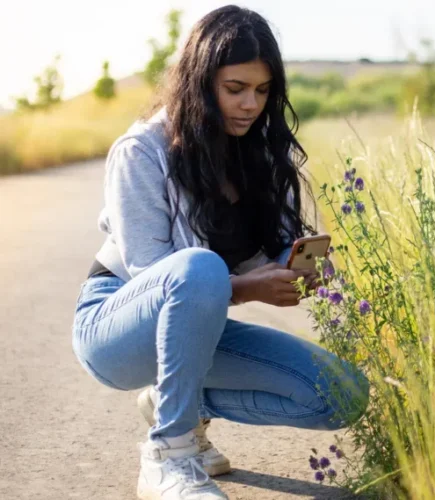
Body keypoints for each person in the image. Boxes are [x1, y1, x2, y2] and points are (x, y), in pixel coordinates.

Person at [70, 6, 369, 499]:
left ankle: (173, 402)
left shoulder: (263, 152)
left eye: (262, 90)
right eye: (235, 89)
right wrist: (250, 288)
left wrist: (301, 265)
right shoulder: (142, 151)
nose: (251, 104)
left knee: (343, 394)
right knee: (199, 267)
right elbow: (159, 275)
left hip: (195, 327)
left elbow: (275, 242)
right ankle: (169, 454)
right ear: (199, 81)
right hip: (114, 325)